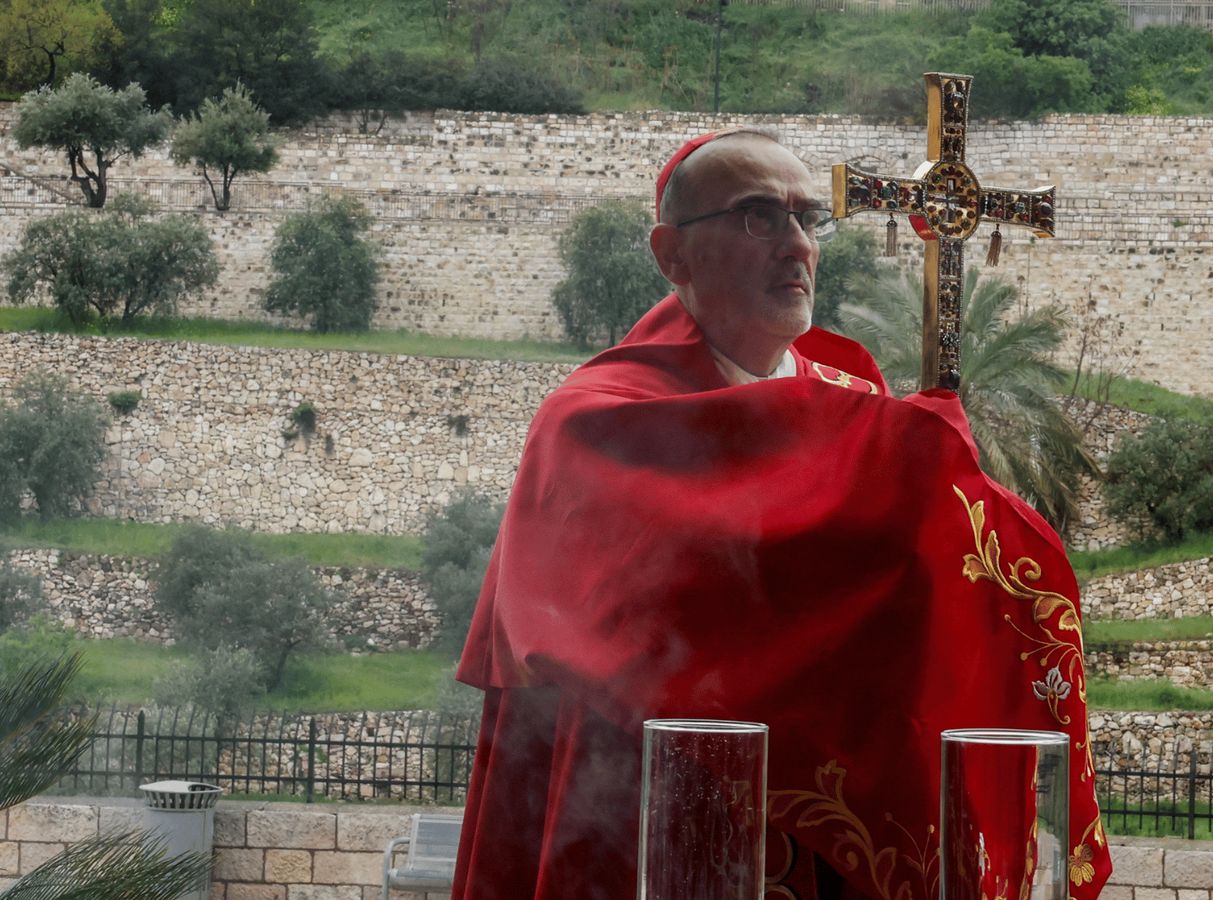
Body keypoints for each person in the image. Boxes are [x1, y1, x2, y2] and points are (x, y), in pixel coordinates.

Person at [452, 128, 1111, 900]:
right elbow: (700, 593)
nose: (796, 244)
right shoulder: (595, 423)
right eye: (758, 217)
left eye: (808, 218)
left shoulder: (861, 404)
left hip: (854, 833)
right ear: (673, 256)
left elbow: (929, 597)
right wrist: (906, 464)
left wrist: (936, 485)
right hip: (653, 814)